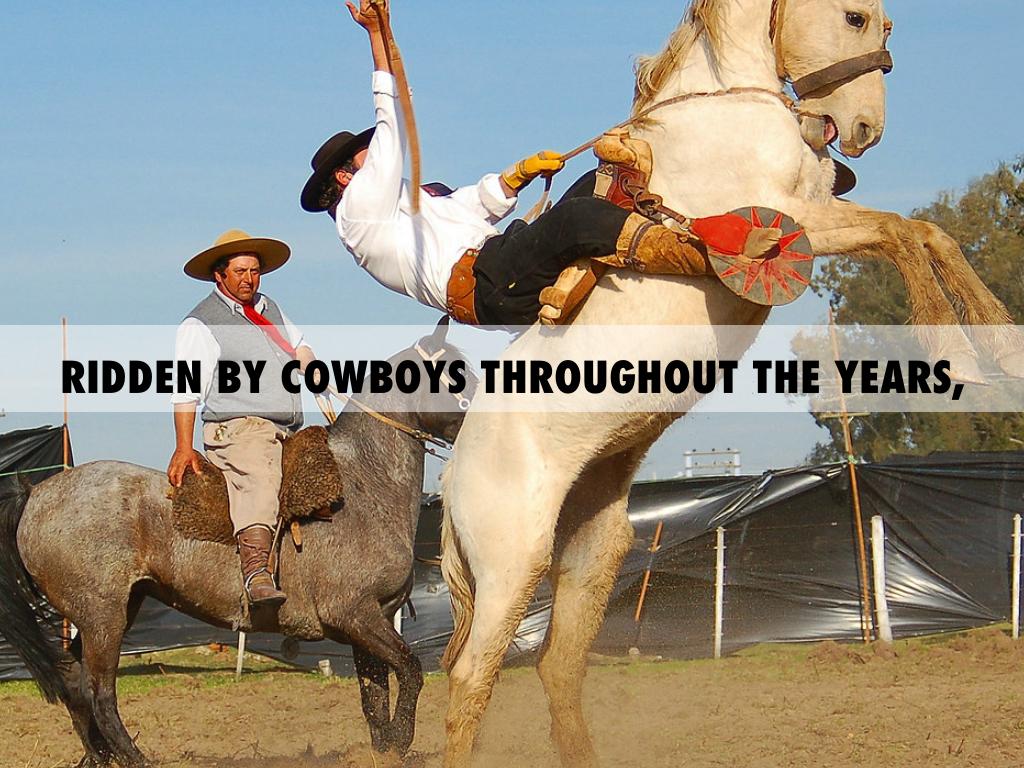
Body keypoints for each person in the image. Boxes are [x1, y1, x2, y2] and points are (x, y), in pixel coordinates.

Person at [300, 0, 742, 327]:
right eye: (364, 150)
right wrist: (377, 37)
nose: (374, 150)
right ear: (344, 174)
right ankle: (709, 259)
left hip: (501, 263)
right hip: (487, 284)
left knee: (599, 181)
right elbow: (394, 118)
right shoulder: (359, 210)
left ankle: (572, 281)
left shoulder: (403, 205)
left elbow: (471, 205)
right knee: (576, 219)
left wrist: (519, 173)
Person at [167, 229, 316, 607]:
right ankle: (256, 571)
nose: (249, 279)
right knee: (260, 475)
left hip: (285, 427)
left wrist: (312, 368)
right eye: (240, 272)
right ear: (219, 275)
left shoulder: (270, 308)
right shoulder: (200, 323)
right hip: (237, 429)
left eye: (254, 271)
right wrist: (183, 447)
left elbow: (299, 345)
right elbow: (186, 390)